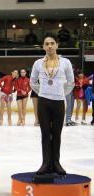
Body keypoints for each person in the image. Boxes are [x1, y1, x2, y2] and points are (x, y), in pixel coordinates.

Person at [30, 33, 74, 176]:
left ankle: (56, 163)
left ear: (57, 45)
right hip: (43, 103)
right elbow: (32, 82)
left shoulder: (66, 62)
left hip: (59, 102)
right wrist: (43, 92)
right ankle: (45, 163)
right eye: (46, 44)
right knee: (45, 134)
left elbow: (71, 82)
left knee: (57, 134)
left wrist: (61, 93)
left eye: (52, 43)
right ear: (43, 47)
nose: (49, 46)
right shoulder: (38, 63)